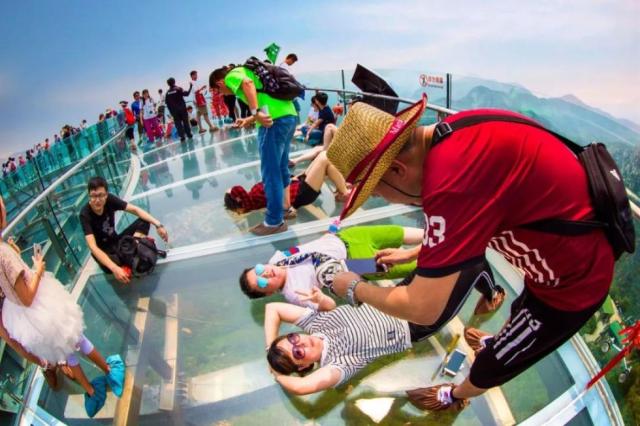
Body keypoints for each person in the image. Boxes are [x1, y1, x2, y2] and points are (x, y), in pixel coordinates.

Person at [326, 98, 615, 410]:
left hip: (571, 287)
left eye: (376, 191)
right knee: (518, 309)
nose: (385, 199)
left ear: (397, 170)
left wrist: (354, 287)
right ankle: (494, 341)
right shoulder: (457, 133)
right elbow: (470, 218)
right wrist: (411, 254)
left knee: (495, 363)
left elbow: (423, 308)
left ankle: (453, 395)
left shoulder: (449, 183)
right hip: (551, 262)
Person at [0, 195, 125, 418]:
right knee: (77, 339)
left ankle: (90, 391)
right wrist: (38, 269)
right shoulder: (3, 254)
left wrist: (14, 252)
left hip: (21, 317)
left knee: (65, 352)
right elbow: (27, 297)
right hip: (38, 308)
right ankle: (109, 370)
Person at [265, 297, 468, 396]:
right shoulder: (338, 363)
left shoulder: (315, 325)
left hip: (396, 297)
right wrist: (277, 374)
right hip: (413, 324)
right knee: (458, 290)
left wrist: (269, 348)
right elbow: (301, 387)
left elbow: (272, 308)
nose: (300, 342)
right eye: (298, 352)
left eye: (292, 338)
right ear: (303, 366)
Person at [239, 225, 425, 310]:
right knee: (417, 264)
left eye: (259, 270)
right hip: (357, 263)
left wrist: (327, 236)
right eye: (262, 282)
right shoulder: (294, 293)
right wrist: (321, 300)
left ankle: (437, 236)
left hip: (347, 237)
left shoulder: (277, 258)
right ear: (269, 293)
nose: (266, 274)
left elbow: (305, 249)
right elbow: (330, 306)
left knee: (401, 233)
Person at [210, 64, 297, 236]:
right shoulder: (249, 71)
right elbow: (264, 98)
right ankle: (285, 208)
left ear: (219, 83)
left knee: (270, 173)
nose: (221, 94)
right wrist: (249, 119)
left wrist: (255, 113)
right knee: (281, 168)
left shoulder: (232, 75)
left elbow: (247, 84)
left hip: (273, 123)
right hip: (288, 116)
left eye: (218, 91)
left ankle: (274, 222)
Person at [79, 176, 169, 284]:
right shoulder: (85, 214)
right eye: (93, 196)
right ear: (89, 195)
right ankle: (131, 253)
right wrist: (114, 268)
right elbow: (93, 247)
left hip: (117, 241)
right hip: (106, 252)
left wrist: (158, 225)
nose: (97, 200)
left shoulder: (110, 200)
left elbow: (135, 209)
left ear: (106, 194)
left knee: (144, 221)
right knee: (111, 262)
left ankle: (132, 251)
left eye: (101, 195)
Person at [225, 151, 351, 217]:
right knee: (325, 158)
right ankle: (345, 193)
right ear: (239, 200)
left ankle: (341, 190)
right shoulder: (253, 199)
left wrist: (294, 178)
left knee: (324, 158)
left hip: (298, 187)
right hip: (301, 193)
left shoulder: (253, 198)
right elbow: (238, 190)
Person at [165, 77, 193, 142]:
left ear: (168, 84)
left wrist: (171, 112)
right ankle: (189, 134)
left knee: (178, 124)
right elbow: (187, 94)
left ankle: (182, 137)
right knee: (185, 122)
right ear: (174, 82)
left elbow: (167, 103)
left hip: (174, 111)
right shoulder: (178, 89)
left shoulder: (167, 93)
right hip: (182, 109)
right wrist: (190, 87)